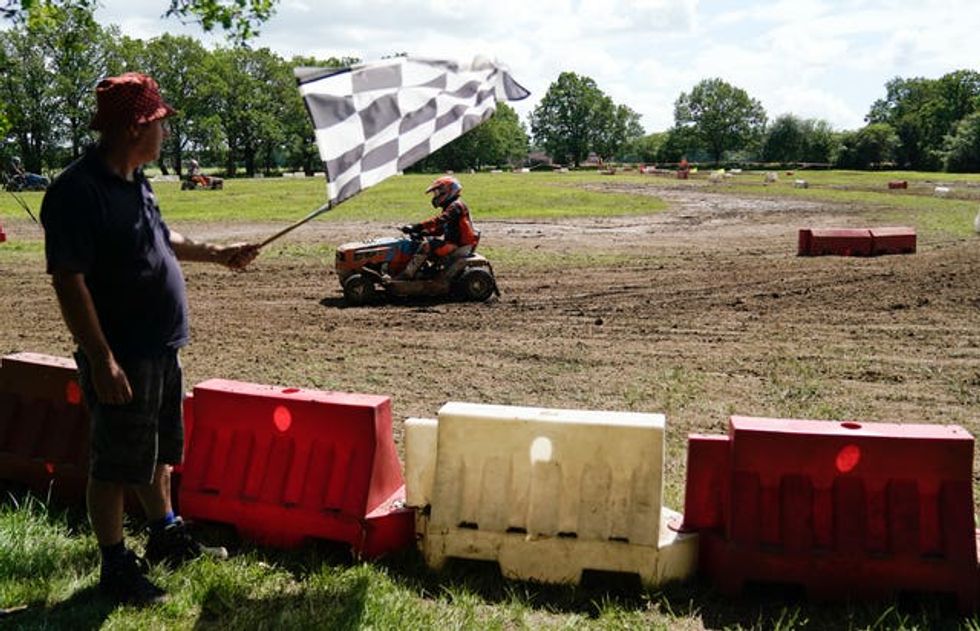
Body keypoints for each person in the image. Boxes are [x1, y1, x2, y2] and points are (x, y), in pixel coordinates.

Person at [40, 72, 260, 606]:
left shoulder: (138, 182)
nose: (166, 131)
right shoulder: (77, 191)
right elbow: (69, 280)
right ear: (137, 127)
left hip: (161, 344)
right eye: (160, 121)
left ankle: (164, 533)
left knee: (155, 451)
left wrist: (217, 253)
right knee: (114, 462)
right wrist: (101, 359)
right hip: (121, 351)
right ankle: (115, 565)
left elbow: (161, 240)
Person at [396, 176, 479, 279]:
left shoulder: (456, 206)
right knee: (425, 241)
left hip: (458, 245)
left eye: (437, 193)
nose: (435, 196)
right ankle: (425, 272)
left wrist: (418, 226)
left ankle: (408, 274)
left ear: (448, 191)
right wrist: (423, 233)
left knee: (426, 246)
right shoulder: (451, 206)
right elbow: (440, 230)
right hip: (455, 242)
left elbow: (440, 220)